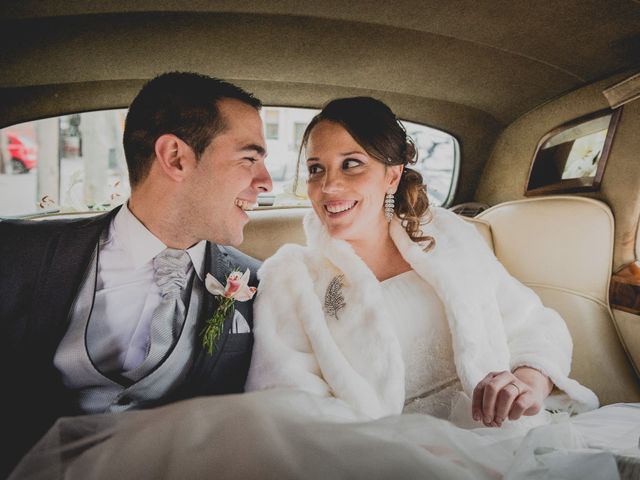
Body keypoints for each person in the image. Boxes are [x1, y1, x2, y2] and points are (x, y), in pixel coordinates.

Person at [245, 96, 598, 427]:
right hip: (378, 458)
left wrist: (528, 383)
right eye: (316, 169)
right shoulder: (292, 277)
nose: (328, 186)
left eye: (351, 164)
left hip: (509, 434)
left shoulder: (449, 238)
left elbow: (532, 323)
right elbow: (289, 403)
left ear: (392, 175)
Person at [0, 71, 272, 476]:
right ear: (176, 157)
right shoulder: (18, 256)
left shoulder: (259, 283)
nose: (266, 182)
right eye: (249, 159)